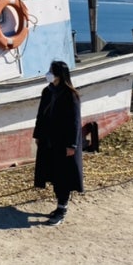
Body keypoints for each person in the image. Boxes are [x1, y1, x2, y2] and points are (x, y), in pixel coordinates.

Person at [33, 60, 84, 225]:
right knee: (53, 173)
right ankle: (59, 206)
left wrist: (72, 145)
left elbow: (75, 121)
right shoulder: (47, 92)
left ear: (59, 75)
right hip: (49, 140)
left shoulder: (71, 95)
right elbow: (41, 115)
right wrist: (38, 135)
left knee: (64, 175)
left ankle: (62, 209)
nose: (48, 73)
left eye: (51, 71)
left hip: (63, 142)